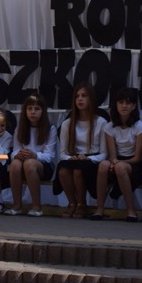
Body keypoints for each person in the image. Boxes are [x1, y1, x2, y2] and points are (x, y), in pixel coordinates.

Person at [53, 82, 108, 218]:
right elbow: (62, 153)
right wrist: (70, 158)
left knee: (79, 169)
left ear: (91, 99)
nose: (80, 99)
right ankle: (72, 203)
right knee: (63, 169)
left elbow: (104, 153)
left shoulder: (101, 122)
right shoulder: (67, 123)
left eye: (84, 96)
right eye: (77, 96)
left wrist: (89, 158)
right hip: (73, 158)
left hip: (92, 159)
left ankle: (82, 204)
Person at [91, 87, 142, 221]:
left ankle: (131, 210)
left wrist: (119, 163)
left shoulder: (139, 126)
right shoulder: (110, 127)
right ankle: (99, 209)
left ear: (133, 106)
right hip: (117, 160)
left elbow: (138, 157)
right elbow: (112, 154)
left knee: (120, 168)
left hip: (134, 164)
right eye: (121, 102)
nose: (124, 106)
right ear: (116, 105)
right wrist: (114, 161)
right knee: (103, 165)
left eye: (128, 103)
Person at [8, 93, 57, 216]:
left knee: (29, 164)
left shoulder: (50, 129)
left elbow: (49, 156)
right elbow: (14, 151)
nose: (33, 112)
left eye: (37, 109)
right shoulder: (20, 127)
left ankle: (37, 206)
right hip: (23, 163)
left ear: (43, 111)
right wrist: (18, 155)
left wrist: (35, 155)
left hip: (43, 167)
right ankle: (17, 205)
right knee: (14, 164)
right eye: (29, 109)